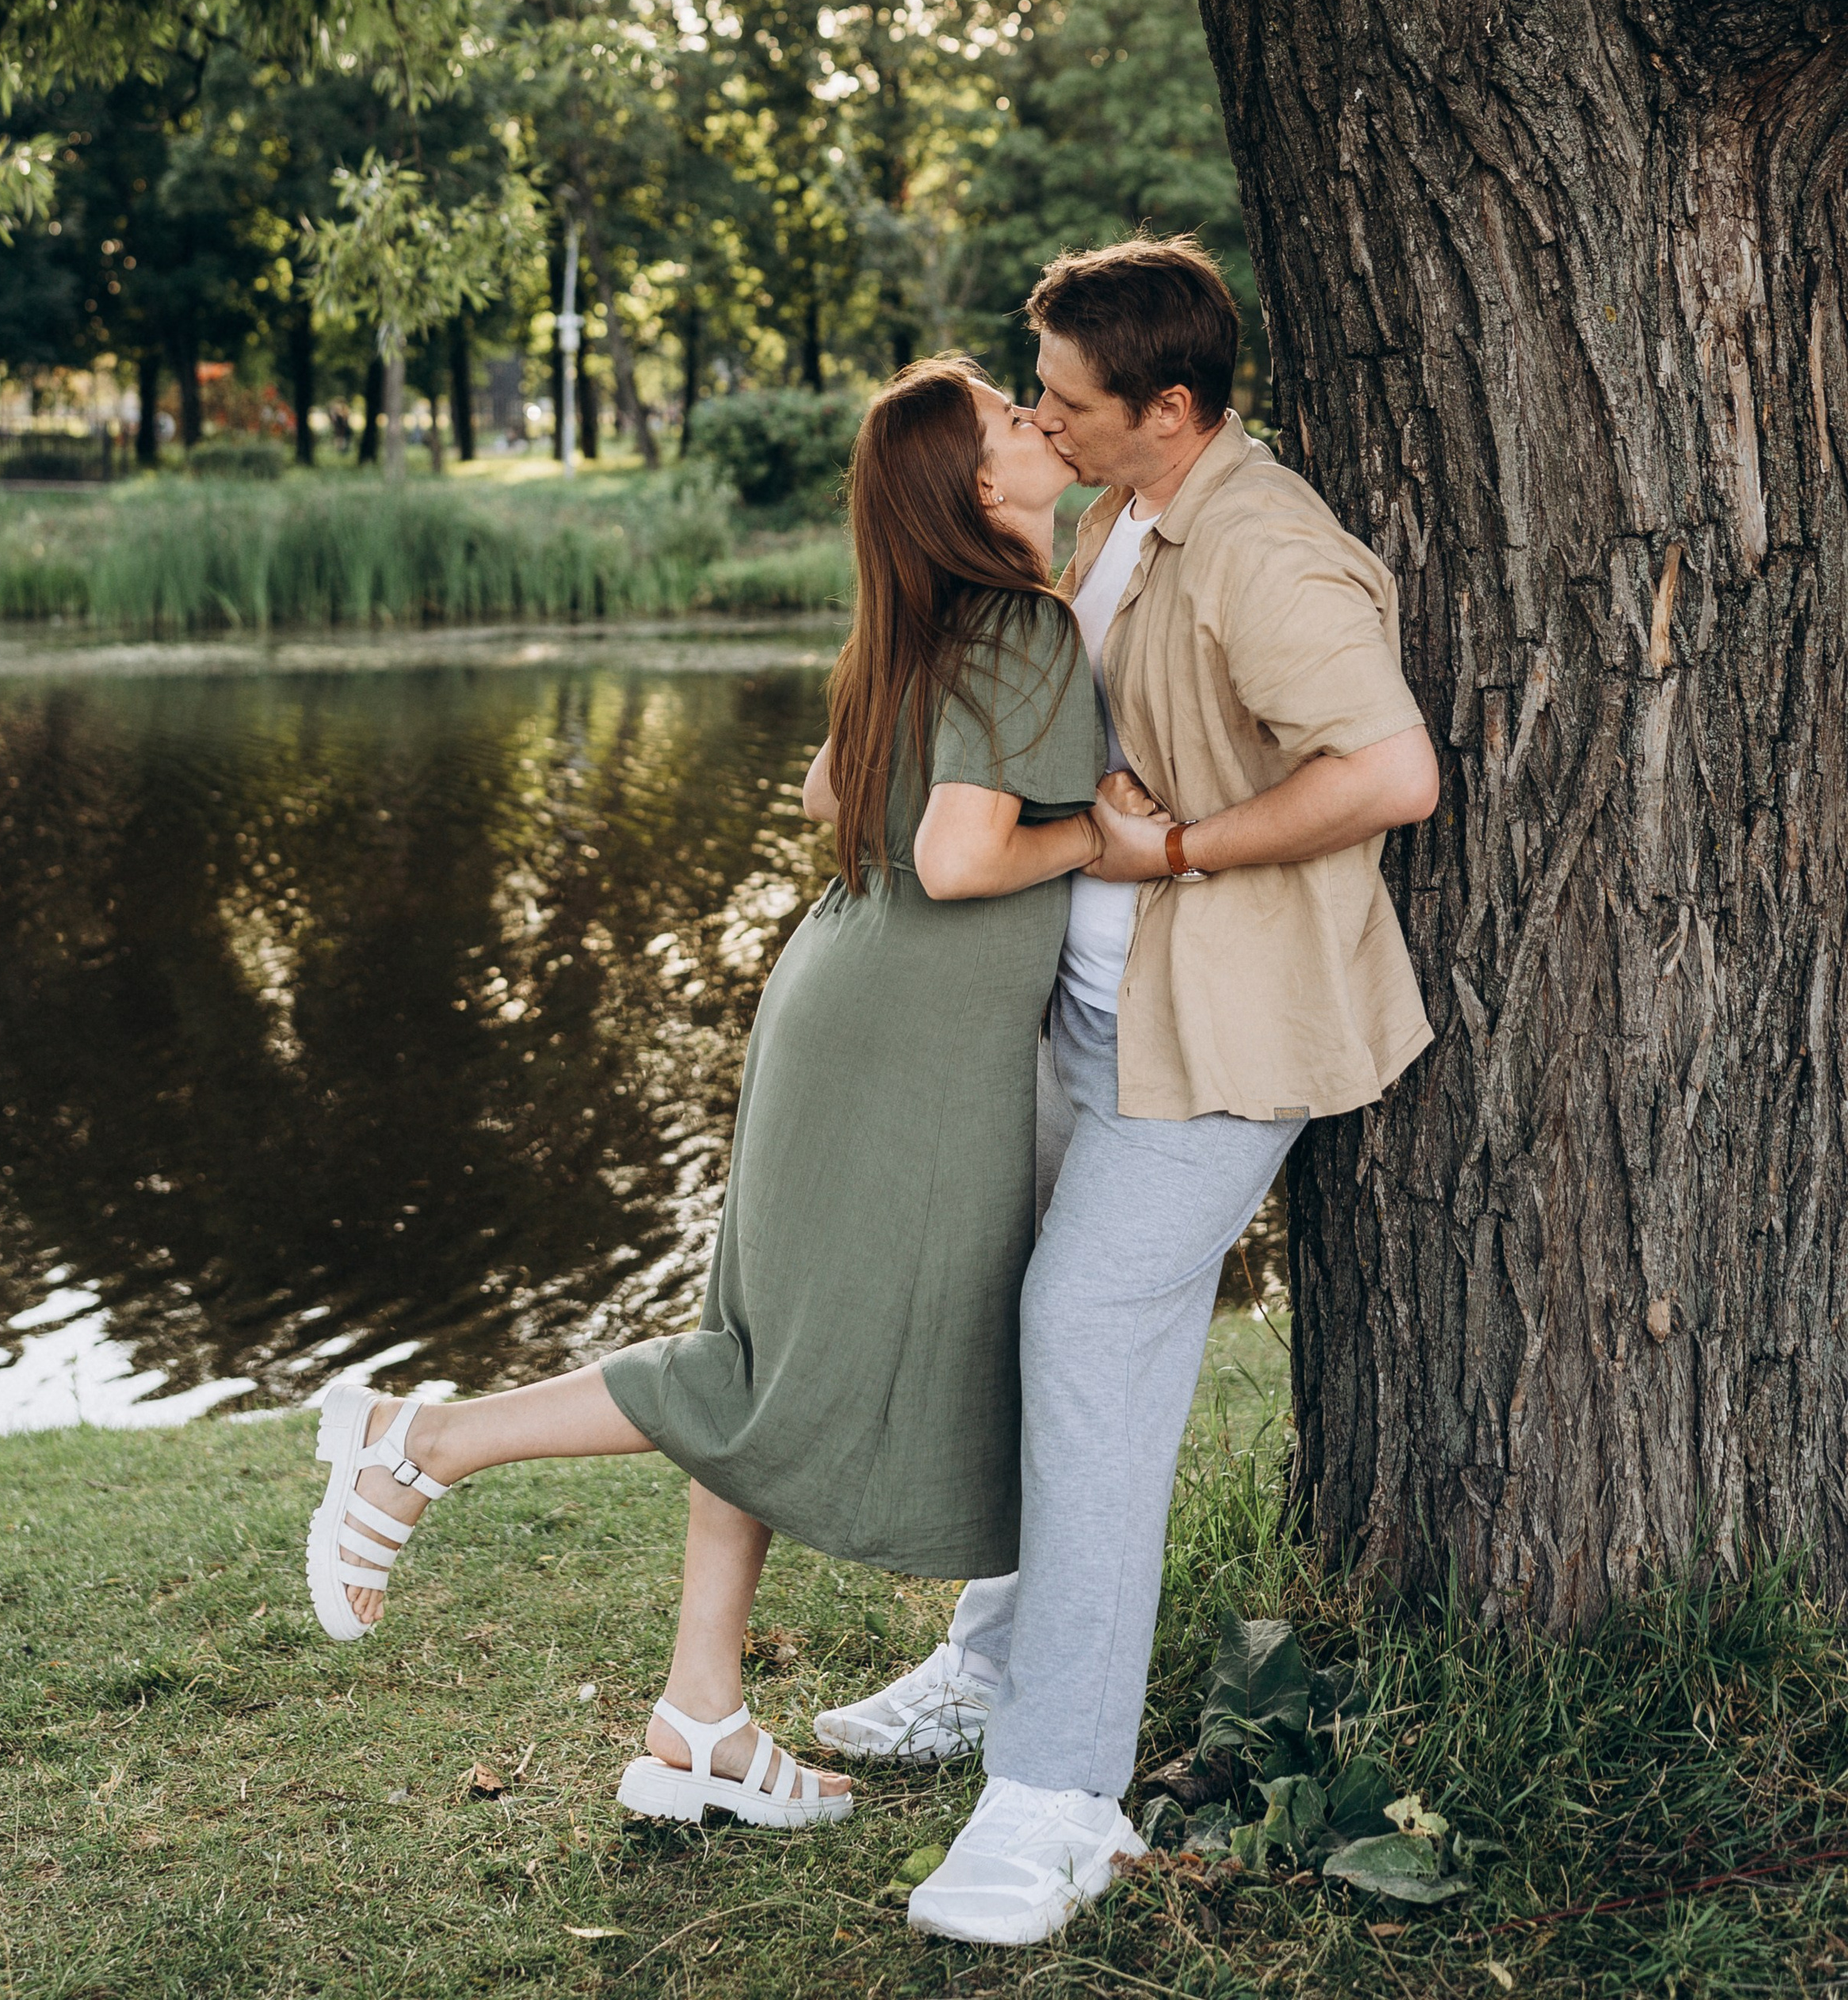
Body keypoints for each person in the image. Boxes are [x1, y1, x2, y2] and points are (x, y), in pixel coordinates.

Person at [300, 357, 1104, 1830]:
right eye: (1008, 418)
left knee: (756, 1344)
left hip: (844, 1005)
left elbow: (823, 796)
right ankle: (422, 1443)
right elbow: (961, 861)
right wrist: (1116, 839)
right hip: (905, 1045)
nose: (1038, 421)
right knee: (778, 1375)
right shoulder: (1024, 627)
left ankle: (701, 1722)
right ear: (979, 491)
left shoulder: (928, 627)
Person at [818, 237, 1442, 1947]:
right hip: (1087, 1024)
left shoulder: (1262, 547)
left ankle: (1058, 1800)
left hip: (1218, 1041)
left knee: (1084, 1342)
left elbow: (1390, 771)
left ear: (1167, 408)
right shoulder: (1123, 513)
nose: (1039, 419)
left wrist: (1180, 849)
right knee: (1018, 1325)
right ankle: (993, 1657)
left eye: (1067, 402)